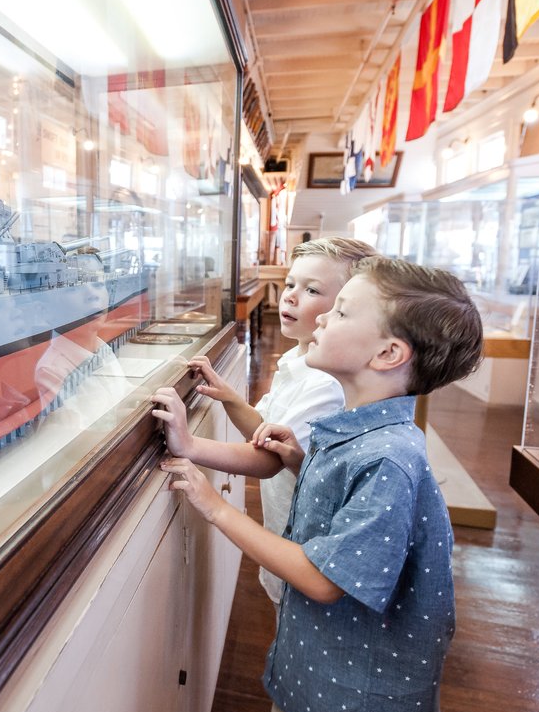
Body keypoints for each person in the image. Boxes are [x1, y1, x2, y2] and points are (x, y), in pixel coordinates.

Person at [156, 257, 484, 712]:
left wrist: (215, 506)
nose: (325, 316)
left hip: (362, 704)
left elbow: (324, 579)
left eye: (343, 312)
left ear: (388, 353)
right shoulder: (356, 430)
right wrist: (298, 459)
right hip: (315, 670)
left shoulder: (388, 457)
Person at [152, 236, 378, 609]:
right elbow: (267, 431)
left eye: (312, 290)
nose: (290, 296)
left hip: (304, 540)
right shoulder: (298, 358)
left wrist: (189, 446)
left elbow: (269, 461)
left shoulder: (325, 382)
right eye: (290, 284)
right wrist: (230, 398)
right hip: (286, 526)